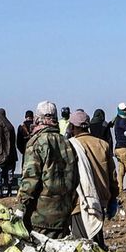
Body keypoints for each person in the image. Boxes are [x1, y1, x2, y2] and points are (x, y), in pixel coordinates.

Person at [17, 100, 79, 236]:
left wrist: (20, 209)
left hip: (40, 218)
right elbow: (75, 179)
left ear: (38, 119)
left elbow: (30, 180)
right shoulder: (67, 143)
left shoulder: (36, 143)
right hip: (63, 215)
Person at [68, 109, 118, 241]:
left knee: (84, 245)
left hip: (80, 203)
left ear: (72, 127)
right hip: (100, 201)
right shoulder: (103, 145)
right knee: (97, 239)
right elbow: (113, 176)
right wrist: (113, 199)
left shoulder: (71, 146)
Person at [0, 108, 18, 196]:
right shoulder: (11, 127)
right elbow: (14, 142)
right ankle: (9, 191)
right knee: (9, 174)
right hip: (10, 155)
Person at [112, 104, 126, 190]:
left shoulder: (117, 120)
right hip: (124, 148)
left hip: (118, 148)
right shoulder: (123, 121)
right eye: (125, 110)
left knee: (121, 169)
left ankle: (120, 187)